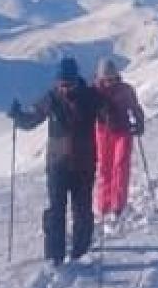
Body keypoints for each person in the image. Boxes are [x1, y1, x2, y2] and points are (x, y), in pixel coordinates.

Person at [9, 58, 105, 265]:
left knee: (82, 209)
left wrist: (110, 115)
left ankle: (81, 252)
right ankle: (54, 256)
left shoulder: (90, 97)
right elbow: (32, 120)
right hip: (57, 164)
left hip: (84, 164)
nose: (64, 89)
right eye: (60, 84)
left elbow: (108, 115)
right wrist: (18, 116)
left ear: (76, 81)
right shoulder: (51, 98)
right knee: (56, 210)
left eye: (67, 84)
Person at [93, 59, 146, 232]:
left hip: (122, 131)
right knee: (104, 168)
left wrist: (139, 122)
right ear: (100, 78)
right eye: (106, 79)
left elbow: (135, 108)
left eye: (112, 78)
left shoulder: (126, 90)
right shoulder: (95, 91)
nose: (109, 82)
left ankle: (118, 205)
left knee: (120, 166)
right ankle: (103, 205)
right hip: (103, 132)